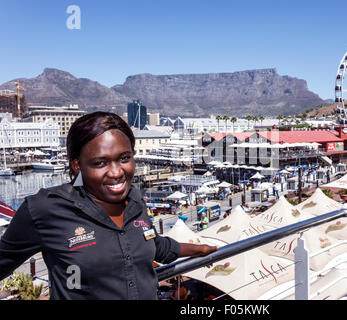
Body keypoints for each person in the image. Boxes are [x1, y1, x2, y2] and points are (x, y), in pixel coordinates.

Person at [0, 112, 218, 300]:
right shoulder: (45, 210)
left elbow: (155, 244)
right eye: (100, 163)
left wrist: (201, 250)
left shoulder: (135, 199)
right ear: (77, 166)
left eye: (124, 158)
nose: (116, 172)